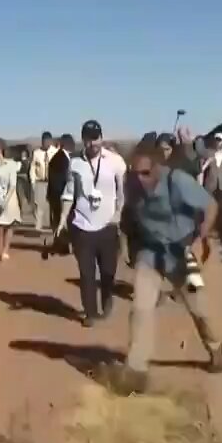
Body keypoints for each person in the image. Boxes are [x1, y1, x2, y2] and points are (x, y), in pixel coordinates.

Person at [104, 141, 222, 395]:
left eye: (146, 173)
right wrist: (127, 247)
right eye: (135, 173)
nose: (140, 179)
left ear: (158, 168)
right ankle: (137, 369)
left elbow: (210, 206)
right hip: (150, 253)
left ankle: (215, 347)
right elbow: (128, 218)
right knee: (141, 308)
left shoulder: (178, 181)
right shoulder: (132, 187)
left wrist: (200, 239)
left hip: (181, 253)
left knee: (200, 309)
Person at [56, 121, 127, 327]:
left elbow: (122, 194)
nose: (92, 142)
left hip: (108, 225)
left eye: (96, 138)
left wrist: (118, 216)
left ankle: (107, 298)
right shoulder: (76, 162)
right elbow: (70, 192)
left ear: (101, 138)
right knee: (86, 273)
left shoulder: (115, 162)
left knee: (107, 272)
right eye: (88, 138)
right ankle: (90, 312)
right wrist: (62, 219)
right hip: (81, 225)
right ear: (83, 140)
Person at [197, 131, 222, 262]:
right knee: (208, 210)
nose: (218, 141)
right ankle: (207, 232)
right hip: (210, 186)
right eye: (216, 139)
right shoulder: (208, 152)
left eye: (220, 140)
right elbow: (201, 168)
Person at [47, 133, 73, 233]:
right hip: (59, 195)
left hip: (56, 194)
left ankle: (60, 244)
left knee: (58, 221)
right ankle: (60, 245)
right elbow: (62, 178)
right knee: (60, 222)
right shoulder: (60, 159)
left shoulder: (61, 157)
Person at [31, 131, 53, 232]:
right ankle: (38, 227)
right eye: (45, 141)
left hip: (52, 182)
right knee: (39, 205)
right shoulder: (36, 153)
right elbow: (32, 168)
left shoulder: (55, 152)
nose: (46, 143)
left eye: (48, 141)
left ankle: (53, 226)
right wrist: (33, 181)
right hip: (40, 182)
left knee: (52, 205)